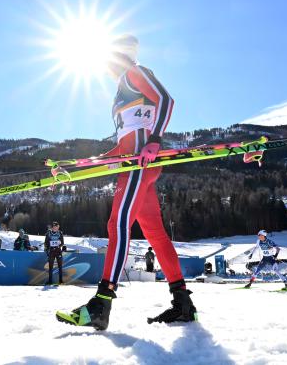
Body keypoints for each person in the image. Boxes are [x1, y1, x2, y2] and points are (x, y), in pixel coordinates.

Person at [57, 34, 196, 330]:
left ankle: (101, 303)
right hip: (132, 161)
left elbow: (166, 100)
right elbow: (121, 145)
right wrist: (82, 165)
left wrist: (155, 141)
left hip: (140, 162)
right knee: (154, 232)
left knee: (118, 224)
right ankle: (183, 303)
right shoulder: (120, 90)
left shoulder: (135, 73)